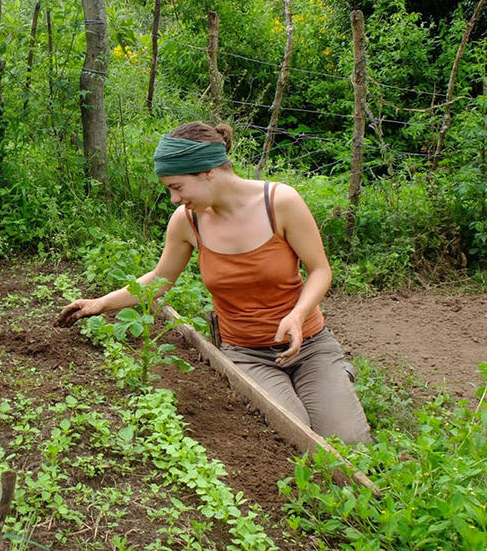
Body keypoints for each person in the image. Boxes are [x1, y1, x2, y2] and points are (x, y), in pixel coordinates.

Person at [57, 122, 371, 444]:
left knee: (351, 444)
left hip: (309, 345)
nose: (173, 198)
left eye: (177, 187)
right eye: (169, 189)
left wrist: (298, 314)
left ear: (208, 171)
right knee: (294, 439)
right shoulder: (187, 221)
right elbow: (160, 280)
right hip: (248, 354)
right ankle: (327, 386)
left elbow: (320, 270)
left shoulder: (280, 203)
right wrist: (101, 303)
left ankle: (336, 374)